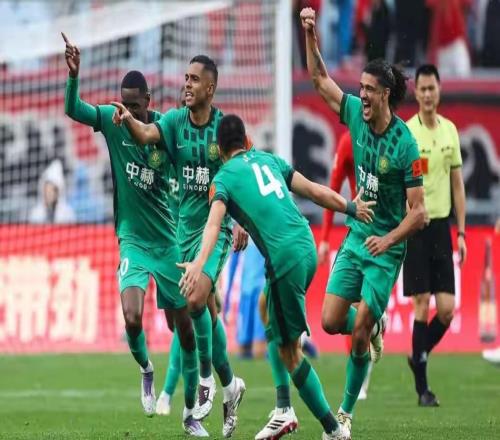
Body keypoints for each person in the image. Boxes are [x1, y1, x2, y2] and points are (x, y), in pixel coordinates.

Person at [178, 114, 375, 440]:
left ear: (219, 149)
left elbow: (213, 225)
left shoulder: (223, 178)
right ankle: (283, 406)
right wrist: (350, 208)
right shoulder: (269, 160)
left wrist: (199, 262)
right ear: (246, 141)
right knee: (265, 306)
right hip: (306, 244)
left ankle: (333, 429)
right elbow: (313, 190)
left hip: (284, 260)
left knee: (290, 353)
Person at [62, 34, 207, 436]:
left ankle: (191, 414)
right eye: (123, 104)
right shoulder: (112, 121)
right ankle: (146, 368)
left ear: (148, 100)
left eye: (135, 106)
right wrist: (74, 76)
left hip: (169, 242)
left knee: (185, 331)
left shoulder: (167, 128)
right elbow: (73, 109)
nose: (128, 111)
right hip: (133, 240)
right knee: (131, 317)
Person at [301, 7, 426, 437]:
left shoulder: (407, 145)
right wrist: (310, 34)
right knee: (330, 321)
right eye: (362, 88)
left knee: (357, 334)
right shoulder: (354, 112)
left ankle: (345, 415)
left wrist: (388, 240)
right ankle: (373, 324)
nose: (363, 95)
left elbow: (419, 213)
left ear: (386, 94)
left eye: (371, 90)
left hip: (386, 250)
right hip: (357, 238)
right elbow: (320, 80)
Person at [111, 55, 247, 438]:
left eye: (194, 79)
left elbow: (244, 172)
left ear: (210, 88)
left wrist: (241, 220)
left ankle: (204, 382)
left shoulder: (225, 128)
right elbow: (145, 134)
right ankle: (230, 384)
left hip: (215, 229)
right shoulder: (173, 122)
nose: (186, 84)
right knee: (203, 315)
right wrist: (129, 119)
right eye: (185, 77)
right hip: (181, 233)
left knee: (195, 300)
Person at [404, 64, 467, 407]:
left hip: (442, 228)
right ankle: (423, 391)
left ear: (439, 91)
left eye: (432, 88)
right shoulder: (408, 133)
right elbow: (400, 183)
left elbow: (458, 185)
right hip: (417, 227)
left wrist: (462, 232)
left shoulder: (450, 131)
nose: (428, 94)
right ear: (416, 93)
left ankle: (418, 353)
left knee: (446, 310)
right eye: (423, 89)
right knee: (421, 302)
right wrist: (408, 215)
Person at [317, 130, 374, 402]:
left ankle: (361, 371)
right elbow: (333, 187)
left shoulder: (395, 139)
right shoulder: (349, 140)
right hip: (358, 233)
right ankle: (360, 372)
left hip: (387, 236)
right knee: (346, 310)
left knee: (365, 310)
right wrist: (324, 238)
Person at [29, 159, 76, 224]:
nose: (48, 194)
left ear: (57, 192)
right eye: (46, 190)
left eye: (51, 191)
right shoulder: (36, 213)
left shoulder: (67, 212)